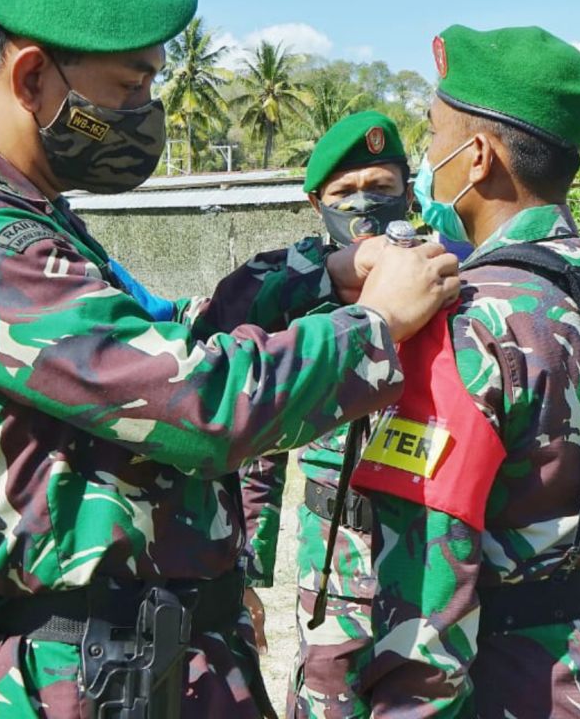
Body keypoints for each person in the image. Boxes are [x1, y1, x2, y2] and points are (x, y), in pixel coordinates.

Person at [0, 0, 458, 717]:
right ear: (34, 76)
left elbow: (161, 339)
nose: (147, 111)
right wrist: (377, 327)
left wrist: (318, 274)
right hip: (83, 678)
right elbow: (194, 404)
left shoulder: (26, 220)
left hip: (134, 660)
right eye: (130, 86)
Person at [349, 25, 580, 718]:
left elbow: (429, 580)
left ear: (476, 158)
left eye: (434, 135)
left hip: (515, 685)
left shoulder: (465, 315)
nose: (426, 157)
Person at [239, 110, 411, 718]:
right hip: (331, 563)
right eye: (344, 192)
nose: (364, 205)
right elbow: (256, 454)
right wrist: (246, 574)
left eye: (382, 188)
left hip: (430, 559)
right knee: (326, 696)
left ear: (409, 190)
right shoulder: (291, 293)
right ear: (317, 203)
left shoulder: (448, 276)